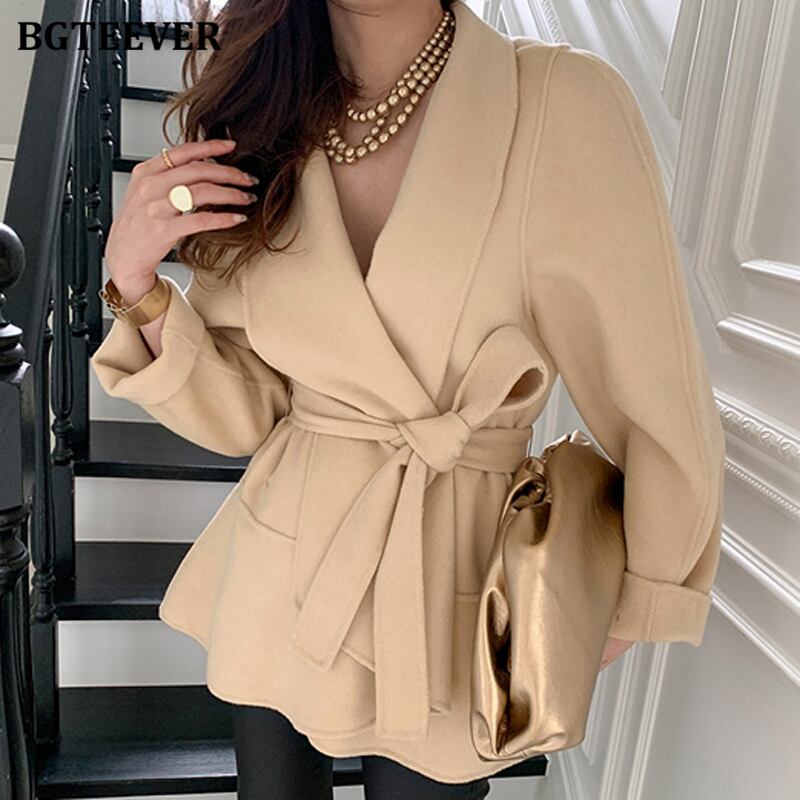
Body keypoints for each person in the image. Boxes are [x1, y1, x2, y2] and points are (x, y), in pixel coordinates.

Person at [91, 0, 726, 797]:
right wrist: (135, 285)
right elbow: (252, 410)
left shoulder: (561, 106)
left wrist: (642, 591)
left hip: (445, 581)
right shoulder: (261, 115)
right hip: (280, 569)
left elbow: (654, 392)